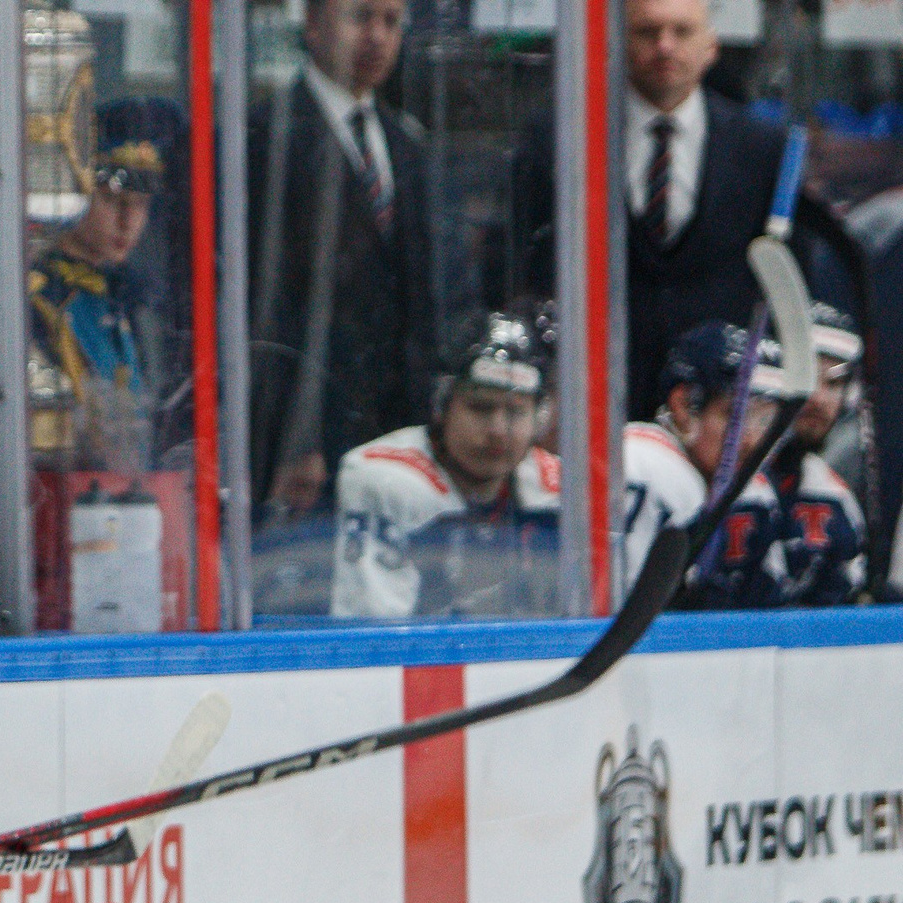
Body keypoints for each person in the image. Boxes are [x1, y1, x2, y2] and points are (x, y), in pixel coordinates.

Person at [516, 0, 789, 420]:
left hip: (717, 410)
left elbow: (782, 279)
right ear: (616, 42)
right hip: (593, 397)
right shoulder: (563, 136)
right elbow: (525, 262)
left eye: (682, 31)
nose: (665, 46)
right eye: (648, 32)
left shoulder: (762, 146)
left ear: (711, 46)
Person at [247, 0, 433, 522]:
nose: (377, 36)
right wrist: (292, 438)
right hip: (305, 442)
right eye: (360, 17)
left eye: (391, 21)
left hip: (396, 433)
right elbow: (265, 306)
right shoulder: (265, 137)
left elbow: (419, 296)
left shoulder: (404, 141)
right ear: (312, 23)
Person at [332, 313, 561, 619]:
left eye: (516, 411)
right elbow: (374, 633)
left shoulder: (561, 489)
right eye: (480, 408)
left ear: (539, 418)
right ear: (442, 407)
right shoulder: (384, 480)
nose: (498, 429)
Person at [621, 319, 801, 606]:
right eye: (736, 416)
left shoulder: (756, 497)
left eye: (765, 419)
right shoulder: (643, 463)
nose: (752, 440)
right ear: (684, 406)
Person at [36, 104, 170, 476]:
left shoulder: (135, 299)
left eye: (140, 204)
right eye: (112, 199)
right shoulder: (41, 299)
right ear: (77, 189)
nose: (128, 221)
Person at [762, 304, 877, 605]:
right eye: (806, 374)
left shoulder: (835, 499)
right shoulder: (716, 479)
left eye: (834, 382)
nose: (818, 398)